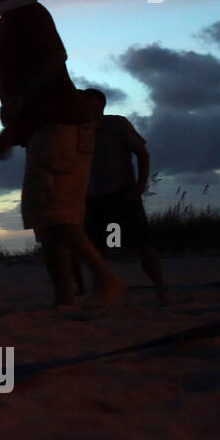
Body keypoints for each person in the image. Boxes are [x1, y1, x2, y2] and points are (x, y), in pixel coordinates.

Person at [0, 0, 124, 307]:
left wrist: (16, 104)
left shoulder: (28, 12)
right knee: (47, 224)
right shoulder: (11, 19)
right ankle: (64, 299)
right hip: (45, 130)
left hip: (60, 126)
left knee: (54, 216)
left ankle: (106, 279)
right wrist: (13, 127)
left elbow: (54, 59)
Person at [80, 88, 168, 303]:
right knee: (98, 248)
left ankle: (161, 289)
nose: (82, 103)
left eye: (87, 100)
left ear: (100, 104)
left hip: (122, 194)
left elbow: (141, 153)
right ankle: (100, 292)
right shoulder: (77, 130)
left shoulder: (117, 124)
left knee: (141, 243)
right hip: (93, 198)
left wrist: (140, 186)